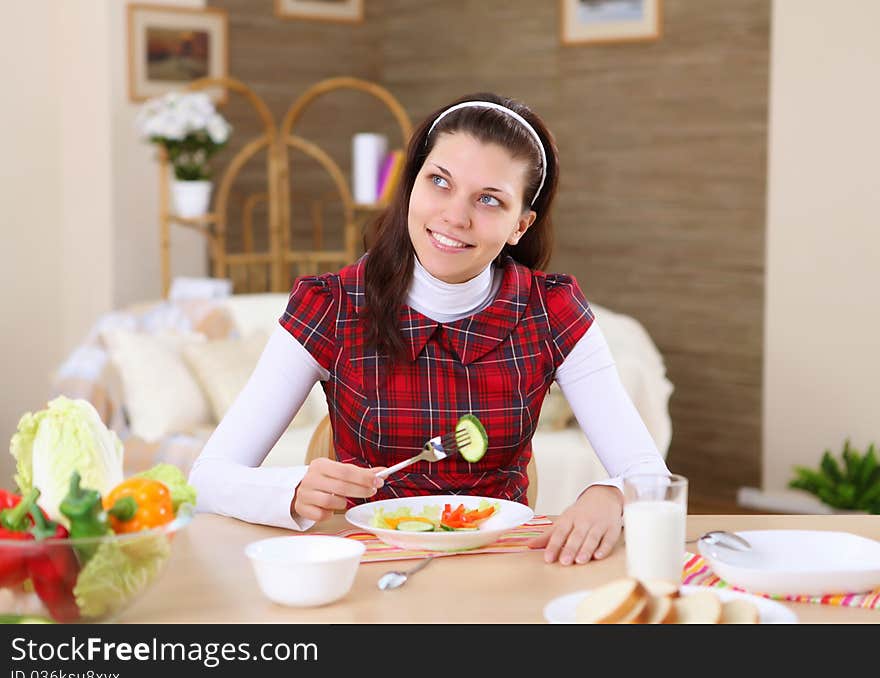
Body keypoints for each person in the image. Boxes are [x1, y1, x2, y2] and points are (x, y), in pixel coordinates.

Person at [189, 92, 670, 565]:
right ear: (411, 185)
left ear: (520, 225)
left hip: (502, 570)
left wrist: (611, 493)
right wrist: (291, 489)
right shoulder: (329, 305)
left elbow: (649, 474)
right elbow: (206, 478)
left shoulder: (551, 310)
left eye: (488, 200)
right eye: (440, 181)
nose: (455, 216)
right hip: (369, 571)